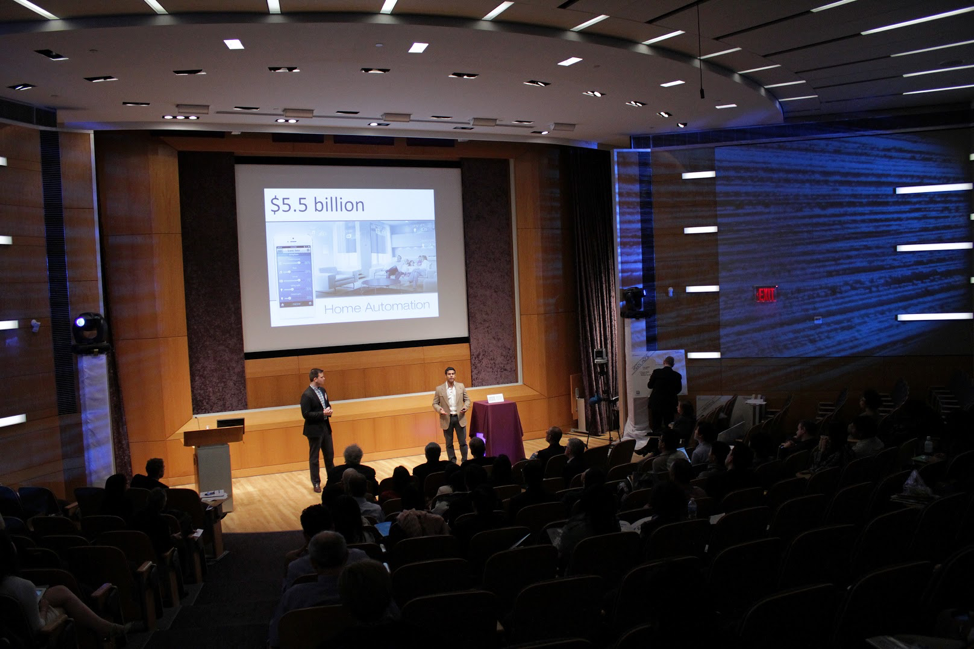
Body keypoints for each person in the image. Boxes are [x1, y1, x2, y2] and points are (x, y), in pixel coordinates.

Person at [0, 531, 131, 642]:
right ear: (12, 550)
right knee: (61, 606)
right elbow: (38, 629)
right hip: (31, 635)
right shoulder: (22, 586)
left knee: (60, 591)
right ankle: (105, 629)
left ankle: (105, 627)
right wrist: (44, 609)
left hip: (9, 630)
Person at [268, 531, 354, 648]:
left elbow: (276, 639)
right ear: (346, 557)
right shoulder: (366, 592)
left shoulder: (294, 595)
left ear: (313, 563)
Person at [301, 368, 334, 493]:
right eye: (322, 377)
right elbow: (306, 414)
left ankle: (332, 480)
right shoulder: (307, 395)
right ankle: (316, 482)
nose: (324, 378)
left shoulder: (323, 390)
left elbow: (326, 405)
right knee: (314, 458)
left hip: (325, 427)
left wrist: (328, 411)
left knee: (329, 455)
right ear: (315, 379)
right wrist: (322, 413)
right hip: (314, 430)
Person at [432, 366, 471, 463]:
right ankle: (452, 461)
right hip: (446, 418)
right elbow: (434, 403)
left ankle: (465, 461)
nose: (451, 376)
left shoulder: (461, 386)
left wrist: (465, 407)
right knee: (449, 443)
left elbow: (467, 400)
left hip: (459, 418)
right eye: (449, 374)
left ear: (455, 375)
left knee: (463, 442)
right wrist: (439, 409)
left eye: (453, 374)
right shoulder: (439, 389)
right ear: (446, 376)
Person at [648, 356, 682, 431]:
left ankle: (656, 441)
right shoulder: (677, 375)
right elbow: (679, 389)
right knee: (669, 424)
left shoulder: (656, 372)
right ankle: (668, 441)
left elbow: (649, 386)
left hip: (656, 402)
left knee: (656, 424)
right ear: (673, 364)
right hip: (670, 403)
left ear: (664, 362)